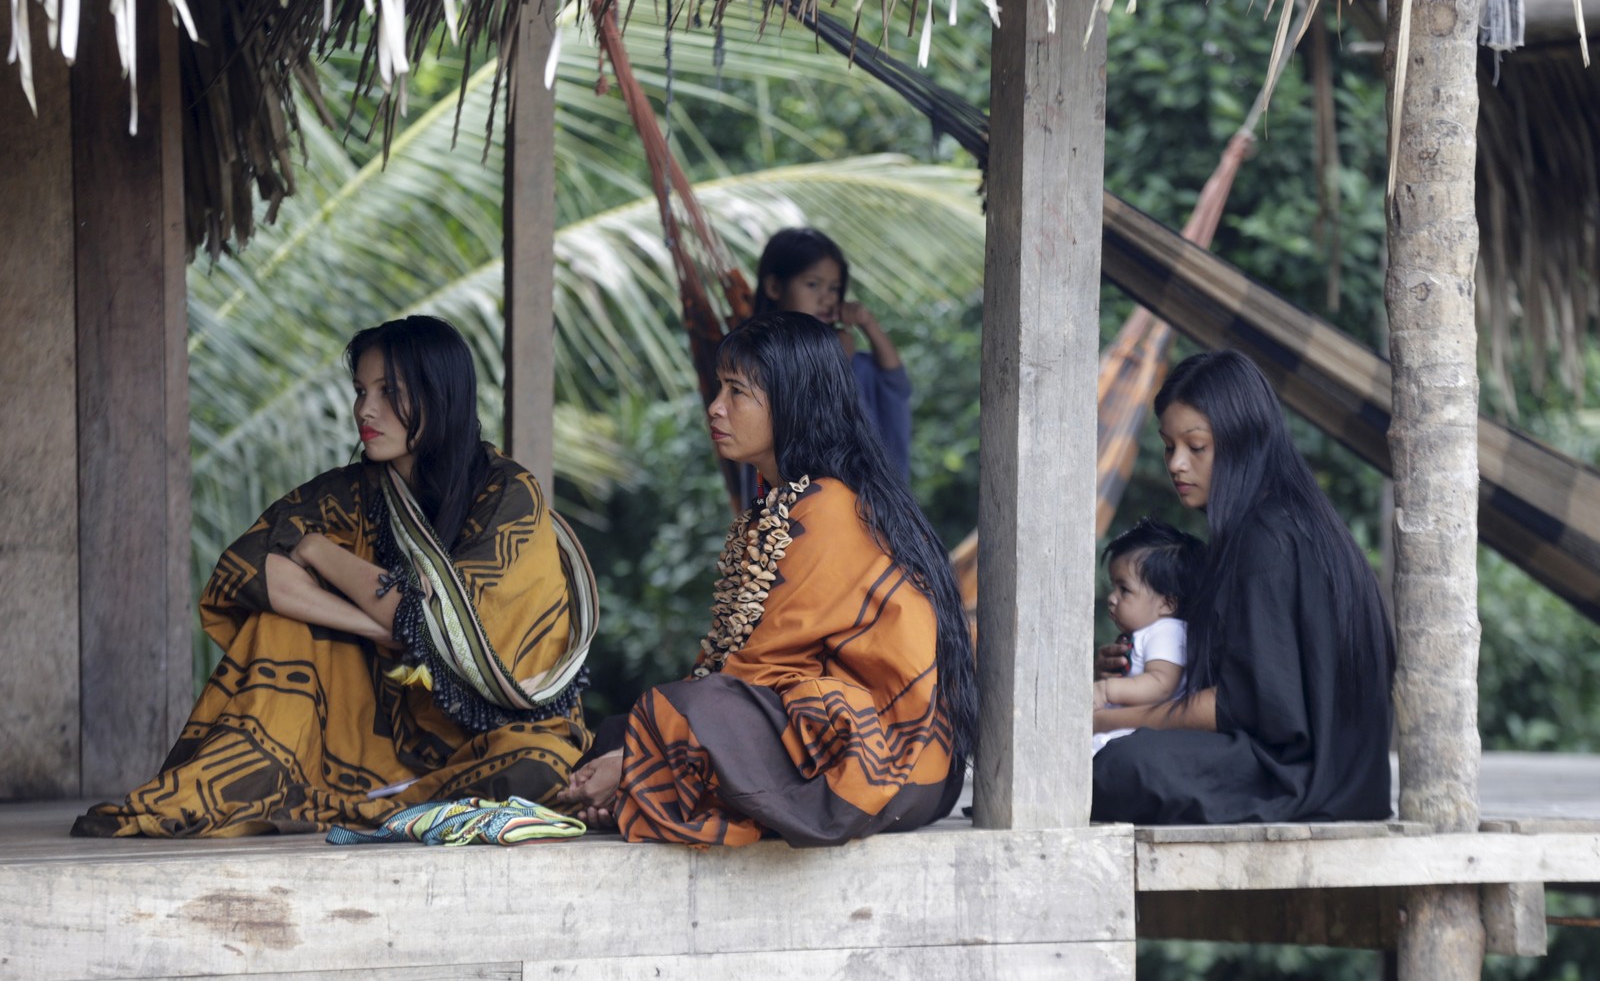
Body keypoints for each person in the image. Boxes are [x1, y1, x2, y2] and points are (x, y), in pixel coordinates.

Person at [74, 316, 595, 837]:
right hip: (386, 723)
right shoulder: (356, 491)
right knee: (278, 625)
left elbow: (441, 625)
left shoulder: (507, 495)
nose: (366, 410)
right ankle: (313, 789)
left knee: (535, 770)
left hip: (500, 729)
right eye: (361, 391)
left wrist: (317, 549)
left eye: (390, 391)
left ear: (441, 395)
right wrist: (375, 628)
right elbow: (254, 568)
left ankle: (373, 799)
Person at [557, 311, 975, 846]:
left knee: (689, 713)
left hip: (890, 767)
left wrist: (642, 756)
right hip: (841, 746)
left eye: (737, 391)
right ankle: (637, 784)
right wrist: (638, 748)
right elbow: (739, 670)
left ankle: (637, 784)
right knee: (633, 725)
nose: (716, 407)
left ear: (792, 403)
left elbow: (759, 670)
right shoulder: (785, 502)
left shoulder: (829, 508)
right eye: (719, 389)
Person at [1091, 350, 1395, 824]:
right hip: (1331, 778)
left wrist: (1111, 718)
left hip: (1297, 779)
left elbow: (1242, 704)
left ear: (1241, 442)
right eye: (1169, 446)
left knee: (1116, 765)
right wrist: (1141, 668)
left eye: (1196, 446)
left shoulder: (1267, 539)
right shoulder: (1281, 522)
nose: (1177, 464)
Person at [752, 227, 913, 483]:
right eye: (813, 284)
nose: (826, 298)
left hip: (862, 502)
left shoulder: (854, 359)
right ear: (774, 287)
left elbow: (894, 382)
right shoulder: (758, 357)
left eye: (834, 288)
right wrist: (836, 360)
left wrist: (867, 324)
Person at [1091, 517, 1203, 756]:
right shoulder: (1146, 633)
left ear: (1167, 603)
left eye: (1125, 589)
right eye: (1113, 587)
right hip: (1120, 731)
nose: (1112, 598)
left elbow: (1161, 684)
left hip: (1134, 737)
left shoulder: (1168, 632)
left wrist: (1106, 691)